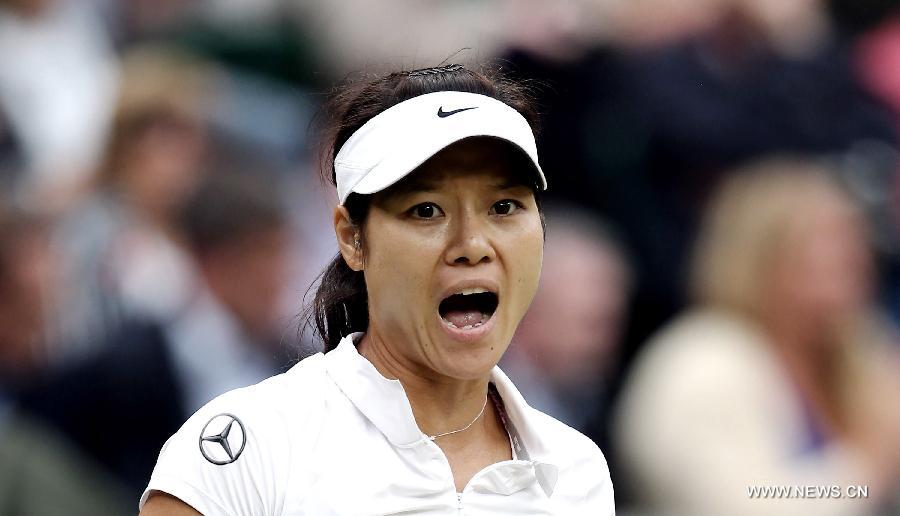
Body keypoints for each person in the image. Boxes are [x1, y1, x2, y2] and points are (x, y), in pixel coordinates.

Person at [139, 64, 615, 515]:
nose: (472, 245)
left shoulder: (578, 471)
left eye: (505, 206)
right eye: (426, 210)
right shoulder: (245, 449)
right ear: (352, 238)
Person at [614, 159, 900, 516]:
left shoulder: (861, 351)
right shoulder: (700, 360)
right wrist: (869, 466)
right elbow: (747, 503)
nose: (849, 262)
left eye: (852, 245)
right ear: (757, 257)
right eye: (822, 247)